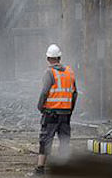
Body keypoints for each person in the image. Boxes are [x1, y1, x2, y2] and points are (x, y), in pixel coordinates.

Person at [33, 44, 77, 175]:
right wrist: (70, 109)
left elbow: (45, 92)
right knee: (64, 140)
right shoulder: (70, 72)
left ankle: (40, 169)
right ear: (59, 57)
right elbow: (75, 93)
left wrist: (40, 107)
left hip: (51, 113)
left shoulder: (49, 73)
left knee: (45, 140)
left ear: (48, 58)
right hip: (66, 113)